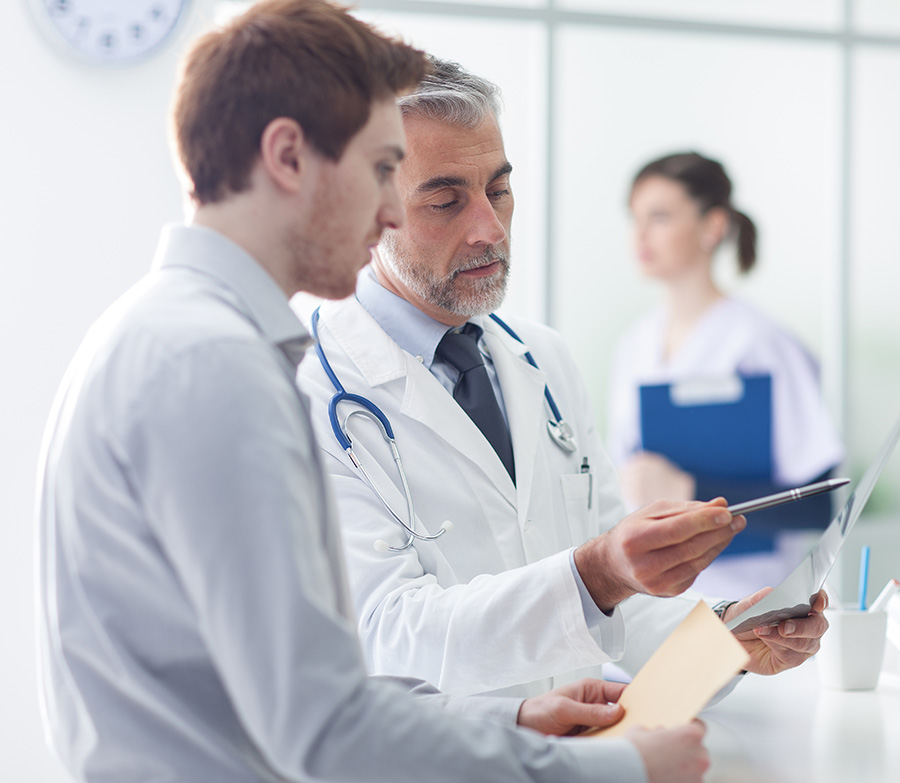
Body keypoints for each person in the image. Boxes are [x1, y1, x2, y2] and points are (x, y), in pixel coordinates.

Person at [34, 4, 712, 782]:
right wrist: (613, 771)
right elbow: (324, 728)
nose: (388, 211)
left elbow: (289, 687)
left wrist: (508, 717)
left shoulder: (172, 334)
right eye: (380, 170)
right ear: (288, 156)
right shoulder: (210, 364)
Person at [297, 58, 827, 703]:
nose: (490, 230)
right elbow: (384, 636)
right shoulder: (305, 393)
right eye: (444, 201)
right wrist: (595, 575)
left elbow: (621, 604)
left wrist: (727, 640)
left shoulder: (543, 361)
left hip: (576, 758)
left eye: (498, 191)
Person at [607, 151, 844, 596]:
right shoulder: (633, 346)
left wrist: (689, 489)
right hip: (651, 600)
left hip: (748, 599)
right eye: (634, 217)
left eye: (659, 216)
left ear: (712, 227)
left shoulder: (761, 343)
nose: (639, 234)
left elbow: (816, 505)